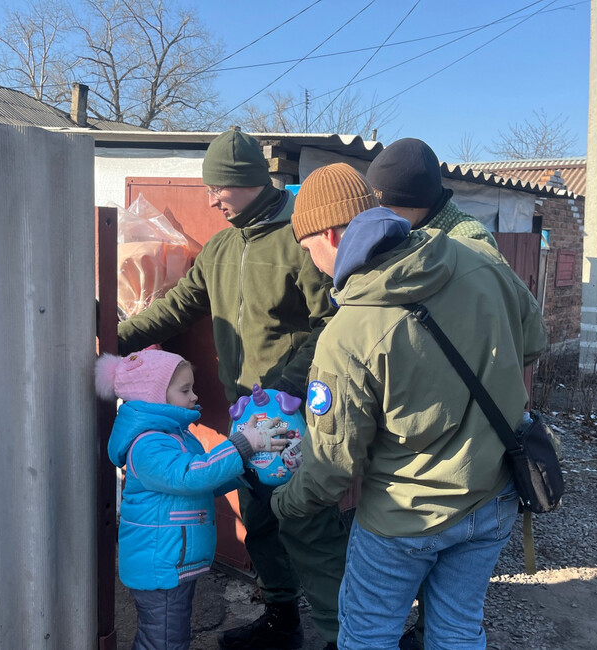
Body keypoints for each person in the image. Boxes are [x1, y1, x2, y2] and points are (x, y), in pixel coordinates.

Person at [272, 163, 547, 650]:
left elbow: (333, 467)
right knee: (459, 629)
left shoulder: (349, 331)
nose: (311, 260)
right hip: (495, 494)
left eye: (307, 245)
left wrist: (284, 502)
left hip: (405, 515)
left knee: (368, 635)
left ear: (331, 234)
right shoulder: (478, 261)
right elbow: (532, 342)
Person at [116, 128, 347, 650]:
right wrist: (113, 336)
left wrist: (288, 385)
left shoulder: (299, 240)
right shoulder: (220, 248)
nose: (212, 198)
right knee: (259, 521)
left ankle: (343, 636)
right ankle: (282, 621)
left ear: (247, 180)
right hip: (244, 418)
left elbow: (331, 323)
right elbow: (177, 307)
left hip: (290, 414)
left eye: (219, 186)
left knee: (307, 525)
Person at [368, 136, 500, 650]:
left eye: (383, 201)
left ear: (410, 201)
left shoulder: (469, 241)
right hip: (444, 429)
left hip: (454, 432)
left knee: (396, 607)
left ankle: (426, 635)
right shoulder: (416, 226)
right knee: (456, 612)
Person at [95, 347, 289, 650]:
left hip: (172, 561)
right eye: (185, 389)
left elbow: (201, 481)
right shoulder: (147, 445)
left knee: (170, 636)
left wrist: (246, 470)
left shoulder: (176, 436)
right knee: (163, 641)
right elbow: (190, 476)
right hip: (160, 565)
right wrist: (241, 447)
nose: (195, 396)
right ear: (154, 397)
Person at [366, 137, 499, 250]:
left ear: (416, 203)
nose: (378, 212)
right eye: (375, 203)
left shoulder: (470, 241)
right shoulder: (399, 228)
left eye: (387, 206)